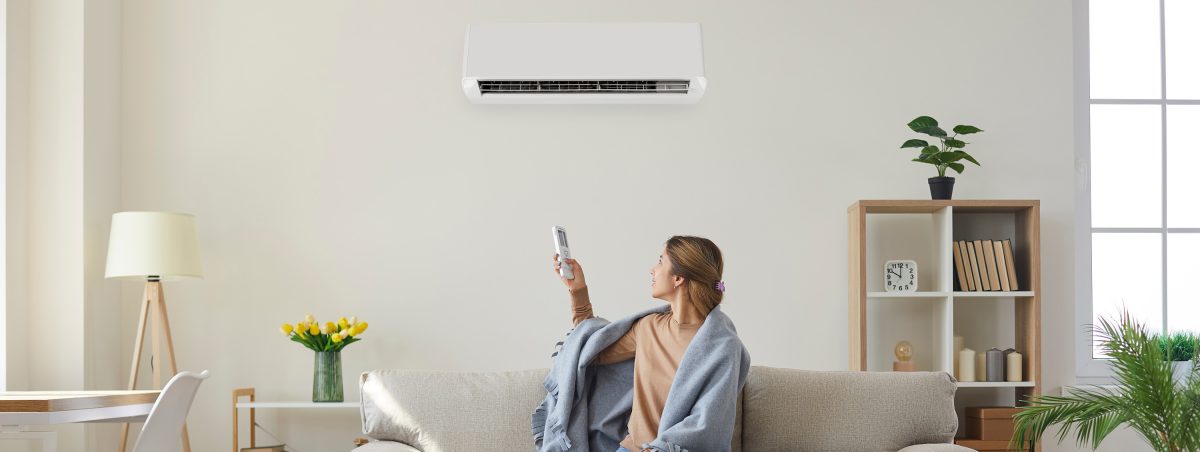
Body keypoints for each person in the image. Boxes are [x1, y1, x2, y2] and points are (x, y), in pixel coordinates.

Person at [552, 235, 742, 452]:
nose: (653, 269)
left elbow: (708, 421)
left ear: (678, 278)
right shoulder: (649, 327)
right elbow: (590, 348)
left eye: (660, 261)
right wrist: (578, 290)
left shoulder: (722, 346)